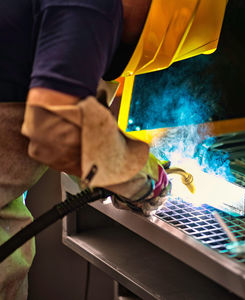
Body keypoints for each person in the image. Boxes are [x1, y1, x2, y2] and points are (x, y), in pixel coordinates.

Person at [0, 0, 226, 298]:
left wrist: (128, 167)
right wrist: (139, 175)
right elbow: (56, 127)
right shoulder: (91, 6)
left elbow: (63, 116)